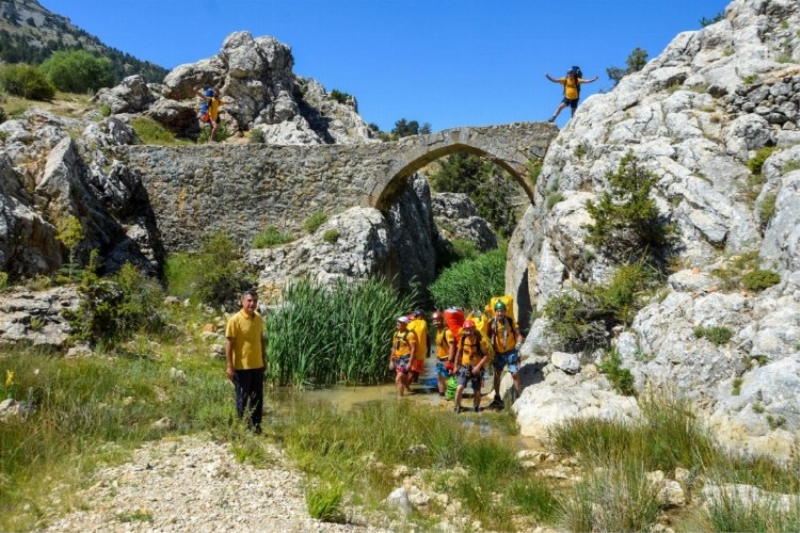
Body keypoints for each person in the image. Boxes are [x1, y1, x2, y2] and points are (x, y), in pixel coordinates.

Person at [225, 289, 266, 433]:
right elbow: (229, 343)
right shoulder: (235, 320)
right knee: (242, 398)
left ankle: (256, 426)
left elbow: (261, 340)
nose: (252, 303)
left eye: (255, 300)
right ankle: (241, 427)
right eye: (249, 300)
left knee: (257, 397)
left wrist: (264, 359)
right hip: (241, 367)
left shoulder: (259, 318)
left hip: (257, 365)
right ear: (242, 302)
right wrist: (230, 366)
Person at [487, 300, 523, 408]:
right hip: (498, 353)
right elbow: (487, 338)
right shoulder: (491, 323)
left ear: (505, 311)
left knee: (515, 374)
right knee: (497, 375)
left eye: (501, 311)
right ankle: (497, 398)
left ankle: (518, 396)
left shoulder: (510, 321)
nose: (499, 313)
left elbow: (519, 335)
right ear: (495, 312)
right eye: (498, 311)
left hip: (511, 352)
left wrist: (519, 344)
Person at [453, 319, 491, 413]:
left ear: (474, 329)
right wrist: (455, 366)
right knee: (459, 388)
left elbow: (486, 356)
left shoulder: (480, 342)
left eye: (470, 329)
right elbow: (458, 353)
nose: (468, 332)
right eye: (466, 330)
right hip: (464, 367)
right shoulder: (462, 340)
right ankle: (457, 406)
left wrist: (478, 367)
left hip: (477, 368)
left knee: (477, 391)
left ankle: (476, 407)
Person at [389, 316, 418, 398]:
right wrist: (391, 361)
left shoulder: (410, 334)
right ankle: (409, 391)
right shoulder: (396, 334)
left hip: (405, 359)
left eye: (400, 322)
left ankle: (400, 399)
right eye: (397, 322)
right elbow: (394, 348)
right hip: (398, 359)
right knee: (403, 378)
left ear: (405, 324)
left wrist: (410, 363)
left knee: (398, 379)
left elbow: (413, 349)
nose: (398, 323)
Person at [432, 311, 456, 397]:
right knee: (440, 378)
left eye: (438, 320)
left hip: (447, 359)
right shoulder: (438, 331)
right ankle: (441, 395)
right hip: (439, 359)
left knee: (449, 379)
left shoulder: (447, 332)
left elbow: (452, 346)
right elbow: (439, 346)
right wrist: (436, 358)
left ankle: (451, 396)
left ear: (442, 320)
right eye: (434, 321)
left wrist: (450, 361)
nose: (436, 323)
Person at [407, 308, 429, 384]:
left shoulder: (409, 325)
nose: (423, 317)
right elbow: (427, 337)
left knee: (414, 371)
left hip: (412, 351)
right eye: (422, 316)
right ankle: (406, 387)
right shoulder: (424, 323)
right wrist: (428, 350)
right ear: (419, 316)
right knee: (414, 371)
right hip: (420, 352)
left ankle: (412, 386)